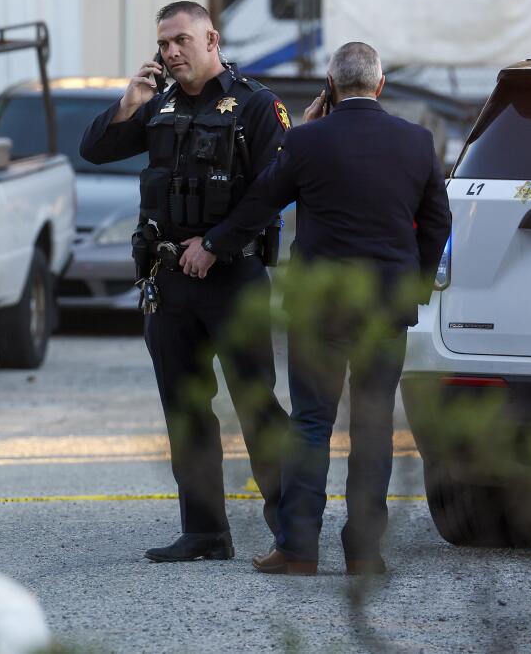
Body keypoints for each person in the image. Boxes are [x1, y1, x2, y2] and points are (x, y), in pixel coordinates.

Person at [180, 42, 450, 575]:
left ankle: (299, 547)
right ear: (381, 86)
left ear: (329, 86)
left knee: (310, 424)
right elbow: (438, 223)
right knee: (373, 427)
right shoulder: (417, 142)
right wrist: (412, 286)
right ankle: (365, 553)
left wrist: (211, 245)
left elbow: (259, 204)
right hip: (384, 309)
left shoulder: (306, 141)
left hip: (319, 310)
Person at [80, 1, 291, 562]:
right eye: (164, 43)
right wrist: (128, 103)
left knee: (255, 402)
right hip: (169, 280)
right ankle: (204, 532)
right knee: (184, 405)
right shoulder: (158, 104)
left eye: (181, 41)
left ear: (211, 38)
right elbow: (94, 150)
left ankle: (292, 528)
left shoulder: (256, 104)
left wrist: (215, 244)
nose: (171, 52)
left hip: (233, 278)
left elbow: (273, 189)